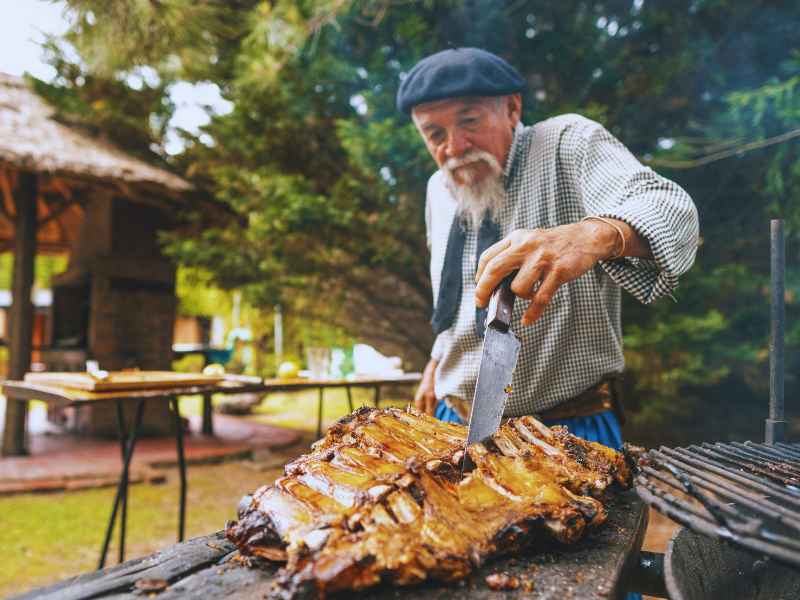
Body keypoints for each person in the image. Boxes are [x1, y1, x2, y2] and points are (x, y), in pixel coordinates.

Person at [400, 46, 699, 452]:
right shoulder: (439, 188)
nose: (454, 147)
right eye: (434, 134)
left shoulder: (567, 143)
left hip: (568, 430)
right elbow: (453, 295)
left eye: (468, 120)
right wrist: (436, 364)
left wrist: (592, 235)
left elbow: (673, 210)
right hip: (453, 424)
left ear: (511, 107)